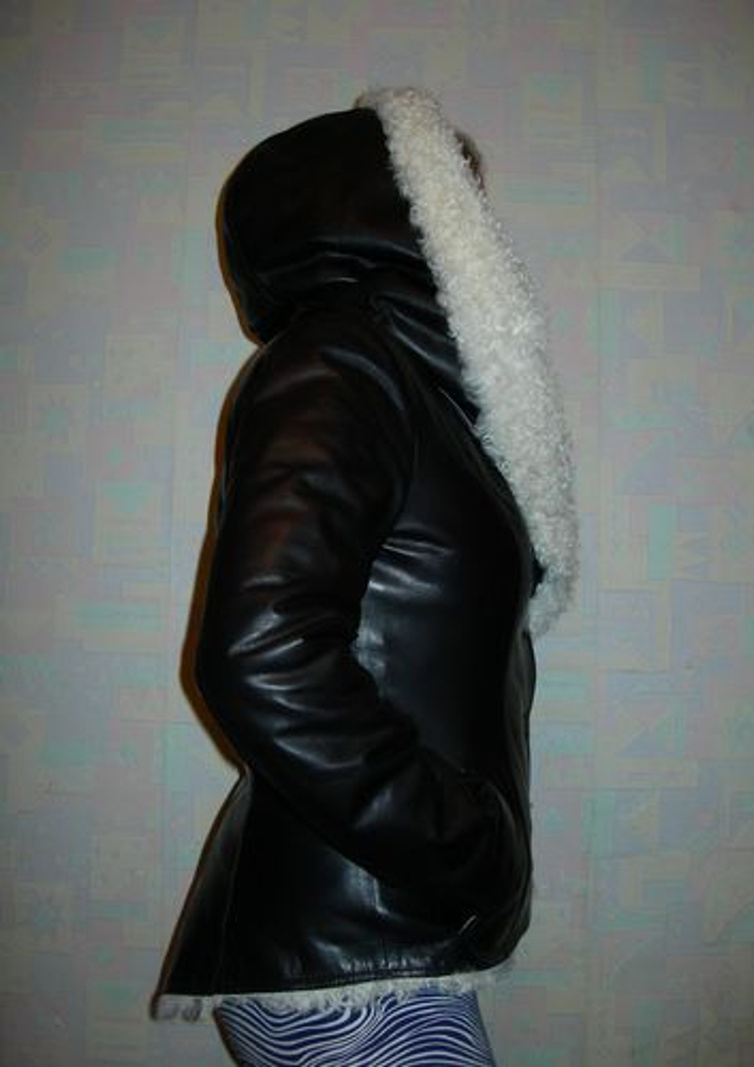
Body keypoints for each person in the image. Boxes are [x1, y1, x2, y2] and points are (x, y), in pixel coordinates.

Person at [152, 87, 578, 1065]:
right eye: (455, 199)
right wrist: (467, 845)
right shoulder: (343, 364)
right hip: (353, 962)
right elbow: (261, 655)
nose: (480, 227)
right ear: (399, 208)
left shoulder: (415, 391)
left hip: (377, 941)